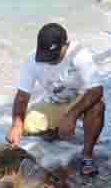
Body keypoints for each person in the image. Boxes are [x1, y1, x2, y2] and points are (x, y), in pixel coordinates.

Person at [6, 23, 105, 176]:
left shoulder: (80, 54)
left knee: (98, 107)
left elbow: (96, 90)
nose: (48, 61)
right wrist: (16, 124)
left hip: (82, 100)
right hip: (55, 102)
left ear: (66, 45)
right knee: (27, 126)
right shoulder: (31, 61)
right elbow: (22, 96)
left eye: (53, 57)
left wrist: (71, 116)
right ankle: (57, 132)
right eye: (45, 56)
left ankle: (87, 155)